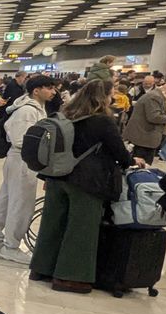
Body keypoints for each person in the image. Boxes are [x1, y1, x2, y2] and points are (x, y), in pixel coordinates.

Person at [30, 80, 143, 294]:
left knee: (52, 224)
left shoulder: (65, 115)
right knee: (81, 228)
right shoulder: (103, 121)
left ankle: (41, 268)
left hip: (56, 176)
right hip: (87, 181)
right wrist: (132, 160)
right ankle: (70, 277)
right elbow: (119, 153)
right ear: (103, 97)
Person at [0, 75, 57, 265]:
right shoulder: (27, 111)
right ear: (36, 91)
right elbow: (21, 139)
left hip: (20, 159)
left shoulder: (31, 108)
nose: (53, 92)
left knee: (7, 199)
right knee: (21, 203)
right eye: (49, 88)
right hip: (23, 159)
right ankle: (10, 246)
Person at [124, 78, 166, 164]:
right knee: (142, 165)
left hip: (144, 137)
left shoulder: (158, 96)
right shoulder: (155, 97)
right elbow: (154, 117)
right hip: (144, 138)